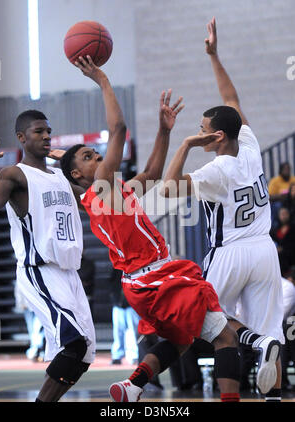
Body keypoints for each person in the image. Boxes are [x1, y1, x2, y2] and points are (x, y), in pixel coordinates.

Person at [60, 57, 242, 404]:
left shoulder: (114, 192)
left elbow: (154, 175)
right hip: (155, 278)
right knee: (225, 339)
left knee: (182, 339)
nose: (96, 156)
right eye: (87, 156)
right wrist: (102, 80)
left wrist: (164, 130)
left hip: (140, 284)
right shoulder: (100, 189)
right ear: (77, 177)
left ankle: (133, 385)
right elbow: (119, 130)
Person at [161, 17, 284, 401]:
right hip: (265, 251)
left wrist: (184, 144)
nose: (200, 130)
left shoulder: (216, 169)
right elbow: (233, 101)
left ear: (215, 136)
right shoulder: (248, 144)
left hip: (229, 252)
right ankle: (272, 389)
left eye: (203, 127)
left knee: (202, 320)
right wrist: (214, 56)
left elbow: (167, 189)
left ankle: (252, 341)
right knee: (273, 333)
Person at [0, 55, 121, 401]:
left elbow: (105, 194)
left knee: (85, 352)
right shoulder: (14, 175)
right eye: (39, 132)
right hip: (39, 270)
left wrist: (73, 160)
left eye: (49, 132)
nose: (47, 137)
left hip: (69, 274)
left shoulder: (63, 178)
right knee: (75, 342)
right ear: (22, 137)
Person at [109, 268, 140, 365]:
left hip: (132, 303)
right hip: (119, 303)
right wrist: (114, 299)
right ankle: (117, 355)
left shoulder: (136, 266)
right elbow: (112, 283)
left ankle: (135, 355)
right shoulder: (117, 267)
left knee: (134, 330)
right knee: (118, 331)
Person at [270, 207, 295, 276]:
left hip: (289, 256)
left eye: (285, 214)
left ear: (289, 215)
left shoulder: (293, 228)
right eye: (282, 214)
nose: (284, 216)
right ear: (279, 216)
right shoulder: (275, 230)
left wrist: (283, 249)